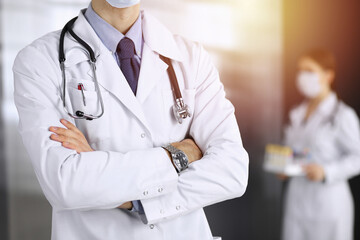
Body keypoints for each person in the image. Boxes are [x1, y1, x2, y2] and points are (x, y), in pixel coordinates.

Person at [13, 0, 248, 239]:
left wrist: (133, 201)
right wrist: (177, 156)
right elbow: (66, 183)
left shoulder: (191, 58)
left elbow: (231, 171)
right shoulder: (39, 62)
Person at [281, 49, 360, 240]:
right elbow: (289, 151)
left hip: (329, 205)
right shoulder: (296, 114)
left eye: (309, 70)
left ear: (328, 75)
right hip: (297, 201)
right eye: (300, 70)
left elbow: (358, 158)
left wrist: (326, 172)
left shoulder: (342, 115)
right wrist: (282, 165)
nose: (302, 76)